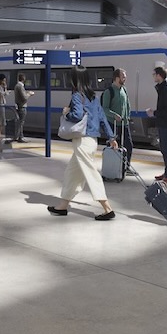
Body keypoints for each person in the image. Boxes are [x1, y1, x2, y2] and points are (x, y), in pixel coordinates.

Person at [47, 66, 119, 220]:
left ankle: (108, 209)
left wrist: (67, 112)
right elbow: (102, 118)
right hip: (91, 141)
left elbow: (77, 115)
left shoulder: (76, 96)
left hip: (82, 141)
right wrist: (111, 138)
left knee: (91, 174)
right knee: (71, 174)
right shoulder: (93, 97)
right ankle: (62, 206)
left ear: (74, 79)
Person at [147, 66, 167, 185]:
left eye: (154, 74)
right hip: (164, 123)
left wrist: (154, 113)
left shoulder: (166, 89)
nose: (153, 77)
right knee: (165, 149)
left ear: (159, 75)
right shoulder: (164, 88)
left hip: (166, 124)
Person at [101, 68, 130, 162]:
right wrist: (114, 115)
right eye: (123, 77)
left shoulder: (124, 90)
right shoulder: (108, 92)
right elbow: (104, 109)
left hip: (124, 124)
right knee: (113, 147)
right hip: (112, 124)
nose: (125, 79)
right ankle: (111, 166)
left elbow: (127, 104)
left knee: (128, 145)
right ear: (117, 78)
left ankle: (126, 166)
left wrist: (128, 116)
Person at [12, 75, 35, 143]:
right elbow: (24, 97)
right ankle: (19, 137)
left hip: (19, 106)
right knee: (21, 122)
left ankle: (19, 136)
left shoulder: (17, 86)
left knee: (20, 122)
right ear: (24, 79)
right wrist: (29, 94)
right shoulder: (20, 86)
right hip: (22, 106)